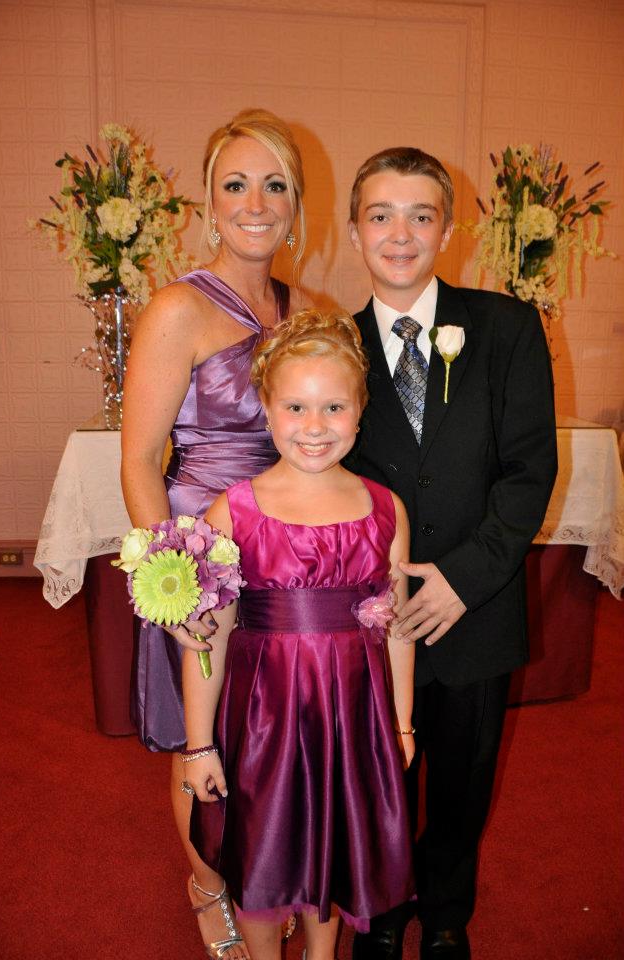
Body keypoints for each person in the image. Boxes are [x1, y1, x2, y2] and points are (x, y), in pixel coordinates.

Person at [345, 147, 558, 960]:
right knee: (377, 773)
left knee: (465, 778)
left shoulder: (506, 328)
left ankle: (444, 915)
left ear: (447, 230)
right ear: (355, 231)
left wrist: (463, 579)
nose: (400, 234)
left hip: (477, 605)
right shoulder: (333, 342)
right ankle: (381, 908)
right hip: (372, 613)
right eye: (381, 216)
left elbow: (529, 470)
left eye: (420, 216)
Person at [120, 108, 309, 959]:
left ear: (296, 205)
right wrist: (175, 583)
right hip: (203, 550)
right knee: (203, 735)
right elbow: (138, 461)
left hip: (287, 553)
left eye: (274, 185)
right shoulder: (177, 308)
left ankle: (266, 868)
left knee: (273, 730)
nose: (255, 203)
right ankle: (206, 884)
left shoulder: (307, 311)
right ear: (209, 202)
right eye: (236, 184)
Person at [182, 309, 416, 960]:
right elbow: (208, 639)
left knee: (334, 848)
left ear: (360, 410)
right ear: (266, 408)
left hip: (352, 715)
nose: (315, 427)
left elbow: (397, 627)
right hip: (266, 715)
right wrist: (199, 745)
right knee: (262, 850)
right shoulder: (234, 511)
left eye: (334, 407)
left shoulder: (385, 508)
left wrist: (401, 724)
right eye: (296, 407)